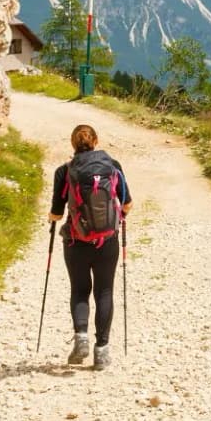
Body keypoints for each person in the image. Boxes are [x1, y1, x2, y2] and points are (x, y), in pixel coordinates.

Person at [50, 124, 132, 370]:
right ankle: (102, 351)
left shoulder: (64, 171)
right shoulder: (113, 166)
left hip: (76, 241)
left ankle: (81, 338)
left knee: (80, 289)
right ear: (96, 141)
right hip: (107, 241)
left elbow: (56, 212)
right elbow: (127, 204)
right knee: (104, 291)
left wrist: (53, 220)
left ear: (73, 144)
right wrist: (117, 218)